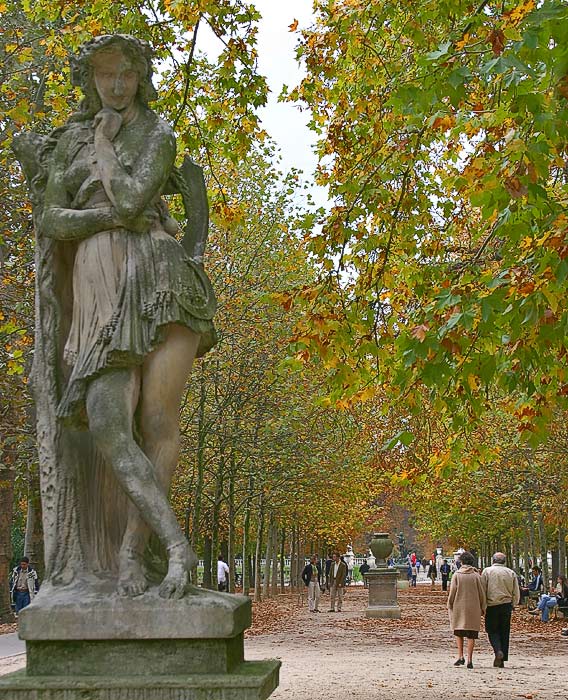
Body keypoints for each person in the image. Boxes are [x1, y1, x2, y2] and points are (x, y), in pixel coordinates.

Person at [26, 35, 217, 599]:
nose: (115, 85)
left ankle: (138, 553)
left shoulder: (156, 133)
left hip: (159, 280)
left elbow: (137, 201)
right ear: (91, 80)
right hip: (98, 282)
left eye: (126, 75)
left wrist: (107, 156)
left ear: (140, 79)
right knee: (108, 421)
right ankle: (178, 543)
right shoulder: (69, 143)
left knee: (158, 420)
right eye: (106, 74)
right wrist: (105, 218)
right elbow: (52, 220)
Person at [448, 551, 486, 669]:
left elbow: (452, 592)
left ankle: (460, 656)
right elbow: (481, 593)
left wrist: (450, 604)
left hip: (459, 606)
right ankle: (470, 659)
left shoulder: (457, 575)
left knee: (458, 631)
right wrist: (483, 607)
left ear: (461, 562)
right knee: (471, 634)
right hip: (473, 608)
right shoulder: (476, 576)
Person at [482, 552, 520, 668]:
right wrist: (514, 603)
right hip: (506, 604)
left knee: (492, 630)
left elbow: (483, 589)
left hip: (492, 605)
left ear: (493, 560)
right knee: (504, 631)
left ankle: (498, 650)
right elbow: (516, 591)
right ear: (504, 561)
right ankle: (502, 658)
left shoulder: (487, 571)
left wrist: (483, 606)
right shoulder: (510, 572)